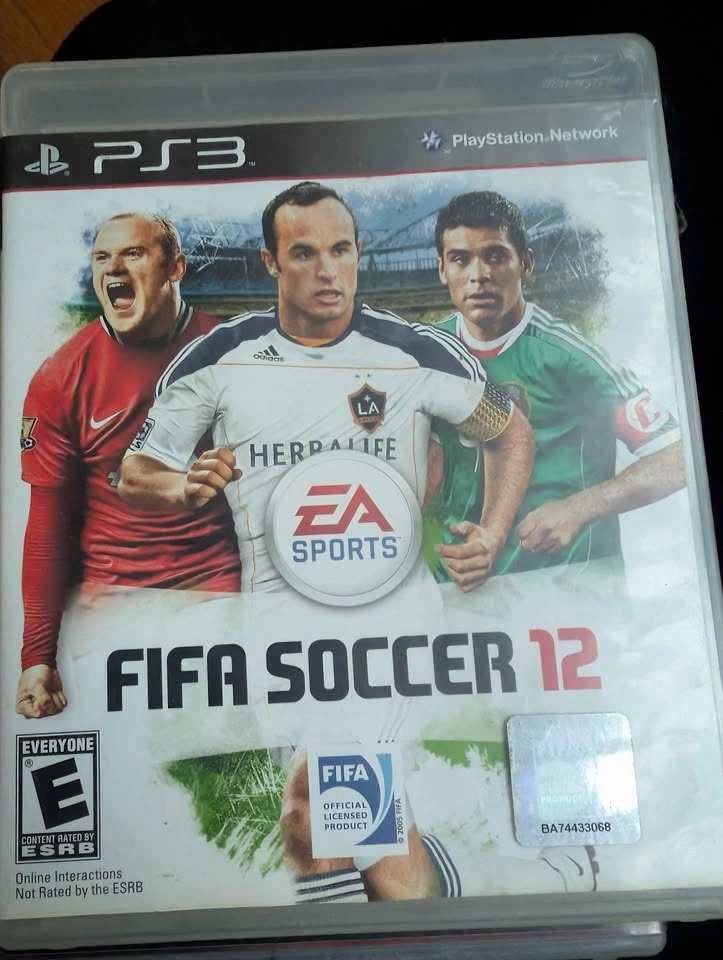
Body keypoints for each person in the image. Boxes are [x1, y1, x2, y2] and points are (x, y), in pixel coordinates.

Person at [119, 181, 535, 903]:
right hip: (278, 645)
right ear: (270, 262)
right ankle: (462, 901)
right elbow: (138, 471)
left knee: (320, 811)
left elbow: (509, 430)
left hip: (386, 636)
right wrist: (182, 485)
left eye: (341, 250)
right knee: (344, 841)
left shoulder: (414, 353)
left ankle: (401, 937)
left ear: (358, 253)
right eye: (304, 253)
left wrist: (494, 532)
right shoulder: (220, 358)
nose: (327, 270)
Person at [16, 213, 241, 720]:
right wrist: (37, 657)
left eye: (133, 254)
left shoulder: (233, 354)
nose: (113, 267)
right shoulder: (59, 378)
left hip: (215, 588)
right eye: (102, 257)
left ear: (176, 268)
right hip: (111, 600)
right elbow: (47, 528)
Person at [427, 191, 685, 581]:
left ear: (525, 263)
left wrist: (577, 508)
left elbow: (677, 457)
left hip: (565, 586)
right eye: (460, 259)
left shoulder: (568, 356)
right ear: (442, 269)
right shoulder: (426, 351)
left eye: (495, 256)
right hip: (460, 586)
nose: (478, 275)